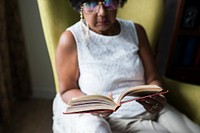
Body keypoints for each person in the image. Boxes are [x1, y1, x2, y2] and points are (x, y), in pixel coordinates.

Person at [53, 0, 200, 132]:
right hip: (115, 118)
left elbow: (154, 77)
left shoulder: (136, 31)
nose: (102, 12)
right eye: (91, 4)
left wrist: (155, 95)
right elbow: (67, 90)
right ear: (80, 6)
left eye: (109, 2)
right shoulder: (71, 38)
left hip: (154, 109)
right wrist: (93, 105)